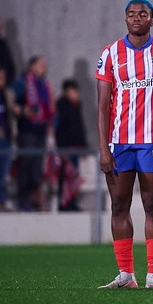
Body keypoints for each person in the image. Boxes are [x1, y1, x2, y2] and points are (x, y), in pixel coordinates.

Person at [96, 0, 153, 289]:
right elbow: (102, 106)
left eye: (143, 14)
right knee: (118, 206)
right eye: (131, 14)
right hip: (119, 143)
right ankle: (127, 274)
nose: (136, 18)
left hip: (151, 141)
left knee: (152, 204)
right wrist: (103, 147)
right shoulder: (111, 53)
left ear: (152, 20)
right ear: (125, 19)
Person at [14, 55, 55, 212]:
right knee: (26, 165)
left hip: (41, 130)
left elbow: (48, 107)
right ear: (31, 66)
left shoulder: (45, 84)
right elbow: (13, 100)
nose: (43, 67)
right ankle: (22, 200)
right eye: (40, 64)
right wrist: (22, 110)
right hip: (27, 130)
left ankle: (33, 200)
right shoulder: (23, 81)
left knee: (37, 167)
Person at [54, 79, 87, 211]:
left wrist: (83, 146)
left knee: (73, 177)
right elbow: (60, 129)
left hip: (75, 147)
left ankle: (71, 202)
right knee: (65, 176)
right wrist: (61, 147)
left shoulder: (77, 105)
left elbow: (80, 128)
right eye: (73, 91)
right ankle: (64, 204)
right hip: (66, 147)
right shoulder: (61, 106)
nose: (76, 93)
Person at [0, 67, 16, 210]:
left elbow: (9, 113)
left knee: (4, 173)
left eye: (4, 77)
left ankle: (3, 198)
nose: (2, 80)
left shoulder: (6, 94)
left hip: (6, 138)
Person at [0, 15, 16, 84]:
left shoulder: (3, 43)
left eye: (0, 26)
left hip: (5, 80)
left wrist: (5, 74)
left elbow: (9, 63)